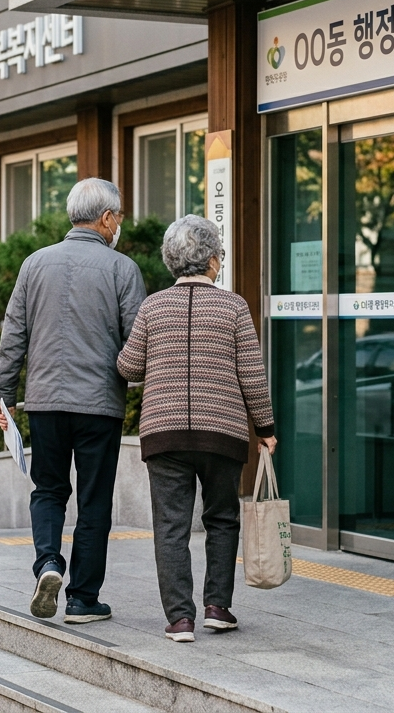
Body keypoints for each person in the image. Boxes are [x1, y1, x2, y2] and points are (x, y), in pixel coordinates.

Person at [116, 215, 276, 644]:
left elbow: (128, 367)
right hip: (221, 432)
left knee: (171, 526)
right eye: (219, 254)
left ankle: (180, 619)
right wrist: (266, 427)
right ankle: (217, 608)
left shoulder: (152, 306)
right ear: (210, 261)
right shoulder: (234, 306)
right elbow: (252, 376)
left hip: (164, 432)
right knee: (222, 518)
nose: (219, 261)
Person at [0, 177, 146, 624]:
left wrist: (4, 394)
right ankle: (82, 599)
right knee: (94, 500)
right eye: (117, 216)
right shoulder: (123, 269)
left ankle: (47, 564)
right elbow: (137, 344)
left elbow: (13, 335)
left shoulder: (34, 264)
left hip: (43, 400)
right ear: (105, 218)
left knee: (49, 490)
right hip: (99, 406)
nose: (119, 224)